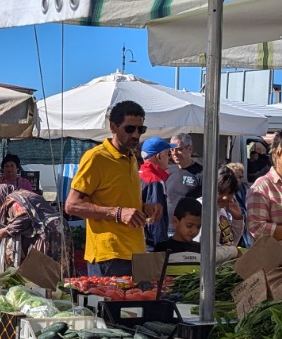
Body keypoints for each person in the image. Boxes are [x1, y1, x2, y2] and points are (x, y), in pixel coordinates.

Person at [66, 100, 160, 276]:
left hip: (136, 253)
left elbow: (120, 200)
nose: (136, 135)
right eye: (130, 129)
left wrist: (144, 208)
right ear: (113, 127)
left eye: (141, 129)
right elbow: (72, 205)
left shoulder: (132, 157)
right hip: (109, 257)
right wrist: (118, 213)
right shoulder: (96, 157)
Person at [0, 183, 70, 272]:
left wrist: (7, 230)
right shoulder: (23, 194)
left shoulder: (12, 201)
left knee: (42, 269)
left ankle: (47, 285)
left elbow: (24, 217)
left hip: (48, 230)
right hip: (61, 225)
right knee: (60, 264)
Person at [138, 136, 173, 250]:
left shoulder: (137, 174)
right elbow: (155, 217)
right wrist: (161, 245)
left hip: (139, 239)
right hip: (151, 244)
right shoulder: (154, 180)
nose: (170, 158)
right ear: (159, 156)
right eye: (168, 154)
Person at [163, 133, 203, 208]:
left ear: (190, 149)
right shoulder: (167, 170)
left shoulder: (201, 173)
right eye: (172, 149)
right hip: (167, 219)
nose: (174, 153)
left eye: (179, 149)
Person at [215, 164, 247, 247]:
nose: (225, 197)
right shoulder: (201, 211)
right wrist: (233, 252)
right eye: (221, 192)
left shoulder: (222, 211)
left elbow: (230, 243)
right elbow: (205, 251)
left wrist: (237, 218)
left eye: (230, 193)